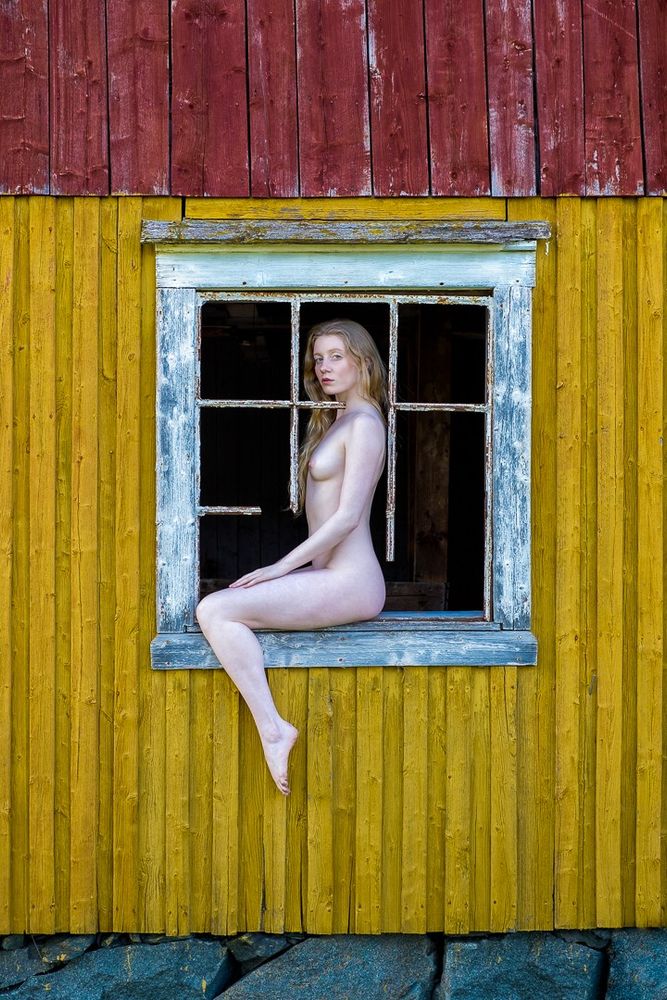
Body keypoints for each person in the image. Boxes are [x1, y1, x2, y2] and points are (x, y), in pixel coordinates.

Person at [196, 319, 388, 795]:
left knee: (215, 608)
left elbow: (346, 518)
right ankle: (275, 729)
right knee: (221, 608)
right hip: (331, 577)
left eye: (336, 356)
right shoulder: (340, 419)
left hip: (352, 580)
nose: (324, 367)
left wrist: (282, 567)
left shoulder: (365, 424)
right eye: (318, 358)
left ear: (363, 361)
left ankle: (274, 730)